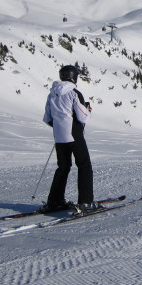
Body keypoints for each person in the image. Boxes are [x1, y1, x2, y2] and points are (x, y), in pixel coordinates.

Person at [42, 64, 101, 214]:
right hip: (74, 133)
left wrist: (59, 125)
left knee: (63, 166)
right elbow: (82, 116)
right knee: (84, 165)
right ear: (74, 77)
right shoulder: (74, 93)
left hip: (59, 135)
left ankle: (55, 201)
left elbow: (47, 118)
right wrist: (87, 109)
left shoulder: (52, 94)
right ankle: (86, 202)